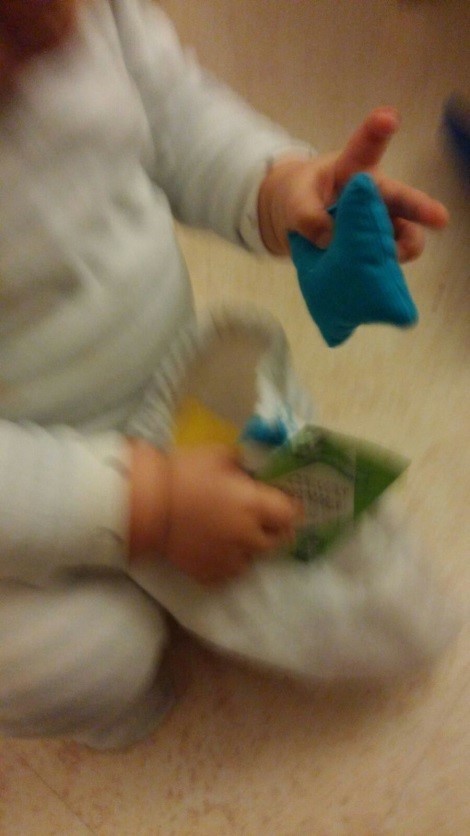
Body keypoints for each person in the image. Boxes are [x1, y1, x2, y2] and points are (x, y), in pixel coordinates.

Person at [0, 0, 449, 749]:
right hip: (26, 490)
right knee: (91, 658)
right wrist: (143, 505)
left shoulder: (92, 14)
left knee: (347, 549)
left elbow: (177, 121)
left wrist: (282, 189)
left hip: (171, 386)